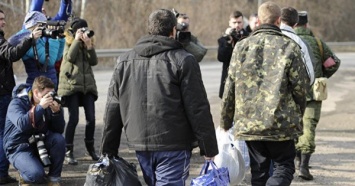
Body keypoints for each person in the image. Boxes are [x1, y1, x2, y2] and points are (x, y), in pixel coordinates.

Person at [100, 9, 218, 186]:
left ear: (149, 29)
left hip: (140, 142)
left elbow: (113, 107)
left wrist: (108, 149)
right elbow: (197, 106)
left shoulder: (124, 60)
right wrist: (208, 147)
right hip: (173, 143)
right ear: (173, 31)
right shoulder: (183, 59)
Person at [220, 1, 309, 185]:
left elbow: (230, 87)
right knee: (284, 166)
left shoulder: (241, 47)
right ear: (278, 21)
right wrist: (299, 113)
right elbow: (301, 87)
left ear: (259, 21)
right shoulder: (289, 46)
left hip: (250, 122)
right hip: (280, 122)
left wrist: (226, 120)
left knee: (259, 171)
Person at [294, 10, 341, 180]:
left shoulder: (287, 41)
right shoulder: (318, 44)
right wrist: (322, 75)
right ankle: (304, 166)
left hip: (292, 93)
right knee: (309, 127)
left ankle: (295, 158)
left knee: (292, 125)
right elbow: (334, 63)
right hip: (314, 93)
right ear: (306, 24)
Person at [0, 9, 42, 185]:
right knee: (4, 133)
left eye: (3, 18)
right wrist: (30, 38)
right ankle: (1, 172)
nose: (3, 22)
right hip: (1, 94)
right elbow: (12, 53)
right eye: (0, 19)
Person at [3, 76, 66, 186]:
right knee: (36, 175)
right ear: (36, 92)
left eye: (52, 94)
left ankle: (53, 178)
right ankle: (25, 174)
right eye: (47, 94)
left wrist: (56, 113)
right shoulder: (17, 103)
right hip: (18, 147)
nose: (50, 97)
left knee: (58, 140)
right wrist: (40, 107)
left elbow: (58, 130)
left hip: (37, 142)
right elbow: (23, 124)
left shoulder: (46, 104)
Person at [57, 18, 99, 165]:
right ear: (75, 32)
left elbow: (93, 62)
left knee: (91, 119)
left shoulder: (87, 43)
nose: (84, 33)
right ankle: (68, 151)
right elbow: (69, 57)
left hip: (87, 86)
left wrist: (88, 46)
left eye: (85, 29)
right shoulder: (67, 41)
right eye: (81, 30)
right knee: (73, 119)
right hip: (72, 85)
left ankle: (90, 148)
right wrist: (75, 40)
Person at [7, 11, 65, 88]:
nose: (45, 28)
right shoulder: (27, 39)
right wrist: (53, 39)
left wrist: (60, 39)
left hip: (48, 84)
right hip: (39, 87)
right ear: (36, 25)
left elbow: (57, 58)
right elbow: (50, 61)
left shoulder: (37, 38)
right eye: (43, 25)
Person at [217, 10, 249, 98]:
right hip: (228, 77)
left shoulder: (249, 37)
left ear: (243, 23)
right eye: (234, 22)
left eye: (239, 22)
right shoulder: (224, 39)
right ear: (229, 23)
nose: (237, 25)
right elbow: (221, 57)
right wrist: (228, 43)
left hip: (245, 78)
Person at [281, 7, 315, 85]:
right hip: (290, 92)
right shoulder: (299, 42)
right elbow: (309, 74)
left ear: (279, 20)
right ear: (295, 24)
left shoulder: (269, 37)